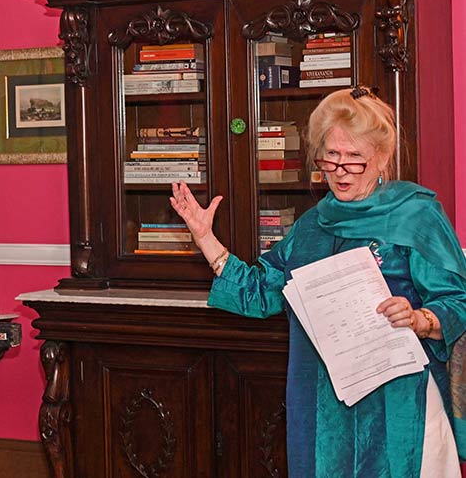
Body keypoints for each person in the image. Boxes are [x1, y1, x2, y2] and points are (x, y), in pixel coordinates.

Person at [170, 85, 466, 477]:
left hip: (399, 405)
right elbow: (261, 293)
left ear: (382, 158)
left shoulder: (417, 216)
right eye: (331, 158)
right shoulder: (312, 226)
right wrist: (205, 239)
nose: (340, 172)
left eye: (354, 159)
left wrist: (419, 318)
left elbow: (457, 301)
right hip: (326, 407)